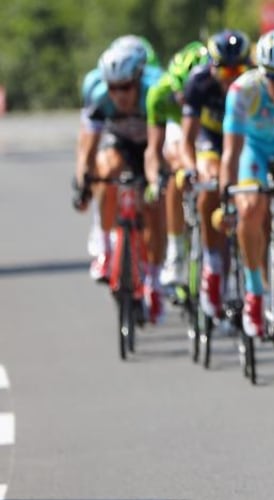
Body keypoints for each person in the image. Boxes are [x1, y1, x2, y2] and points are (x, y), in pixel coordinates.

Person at [219, 28, 274, 338]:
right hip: (254, 150)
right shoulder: (244, 90)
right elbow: (231, 152)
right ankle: (255, 292)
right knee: (250, 208)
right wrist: (226, 198)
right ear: (261, 72)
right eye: (273, 77)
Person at [74, 42, 164, 322]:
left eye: (125, 87)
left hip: (151, 146)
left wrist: (157, 180)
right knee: (105, 169)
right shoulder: (98, 95)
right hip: (120, 143)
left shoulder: (154, 92)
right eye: (113, 88)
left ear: (138, 80)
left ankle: (155, 280)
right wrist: (83, 184)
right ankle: (104, 245)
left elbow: (159, 148)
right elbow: (88, 146)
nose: (119, 95)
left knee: (154, 206)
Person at [181, 29, 252, 320]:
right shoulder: (198, 83)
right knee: (210, 183)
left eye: (238, 71)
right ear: (212, 67)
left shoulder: (254, 84)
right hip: (211, 142)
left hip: (245, 143)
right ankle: (212, 262)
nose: (231, 77)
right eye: (225, 71)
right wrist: (189, 168)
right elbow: (187, 139)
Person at [144, 41, 209, 290]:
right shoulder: (159, 93)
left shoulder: (216, 89)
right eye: (181, 95)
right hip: (177, 130)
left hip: (207, 128)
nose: (185, 102)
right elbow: (153, 148)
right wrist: (154, 180)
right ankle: (175, 251)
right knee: (176, 168)